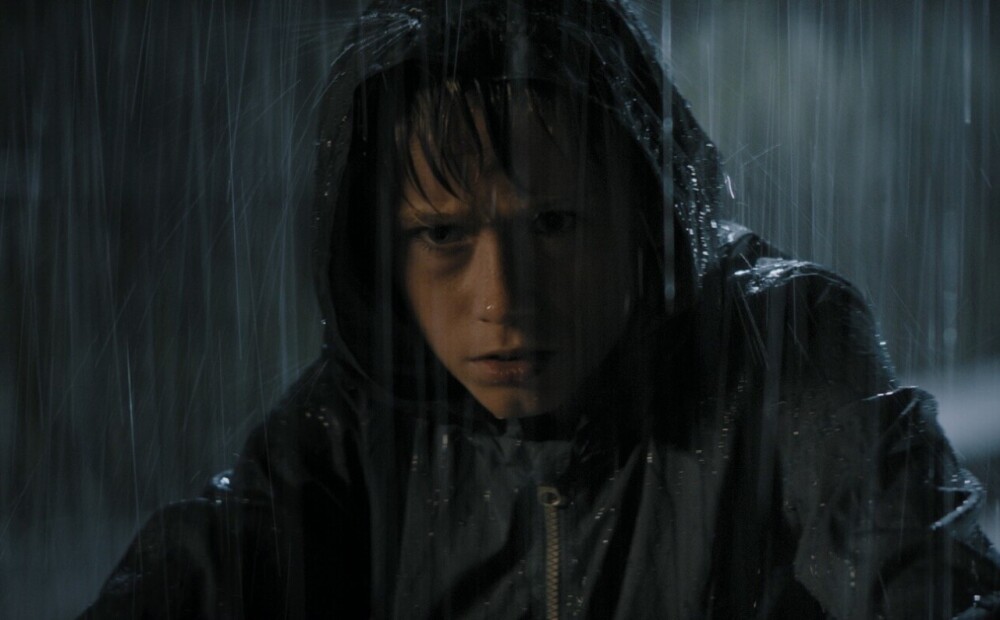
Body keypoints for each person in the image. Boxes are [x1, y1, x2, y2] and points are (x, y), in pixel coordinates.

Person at [82, 0, 1000, 617]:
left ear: (642, 223)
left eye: (555, 224)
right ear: (383, 254)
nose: (502, 302)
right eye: (443, 235)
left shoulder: (780, 347)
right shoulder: (362, 420)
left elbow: (928, 583)